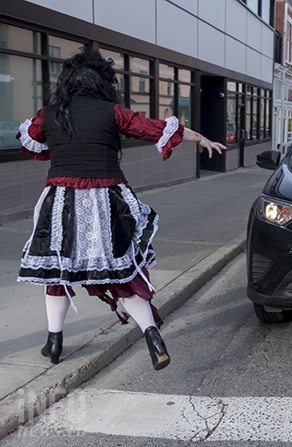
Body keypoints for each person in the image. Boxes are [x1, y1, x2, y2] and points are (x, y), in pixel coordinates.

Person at [16, 46, 226, 371]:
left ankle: (54, 343)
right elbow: (159, 129)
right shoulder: (112, 112)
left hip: (60, 203)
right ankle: (152, 334)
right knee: (122, 273)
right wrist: (201, 139)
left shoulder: (51, 113)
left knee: (57, 273)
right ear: (102, 81)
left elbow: (30, 138)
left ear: (69, 81)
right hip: (108, 199)